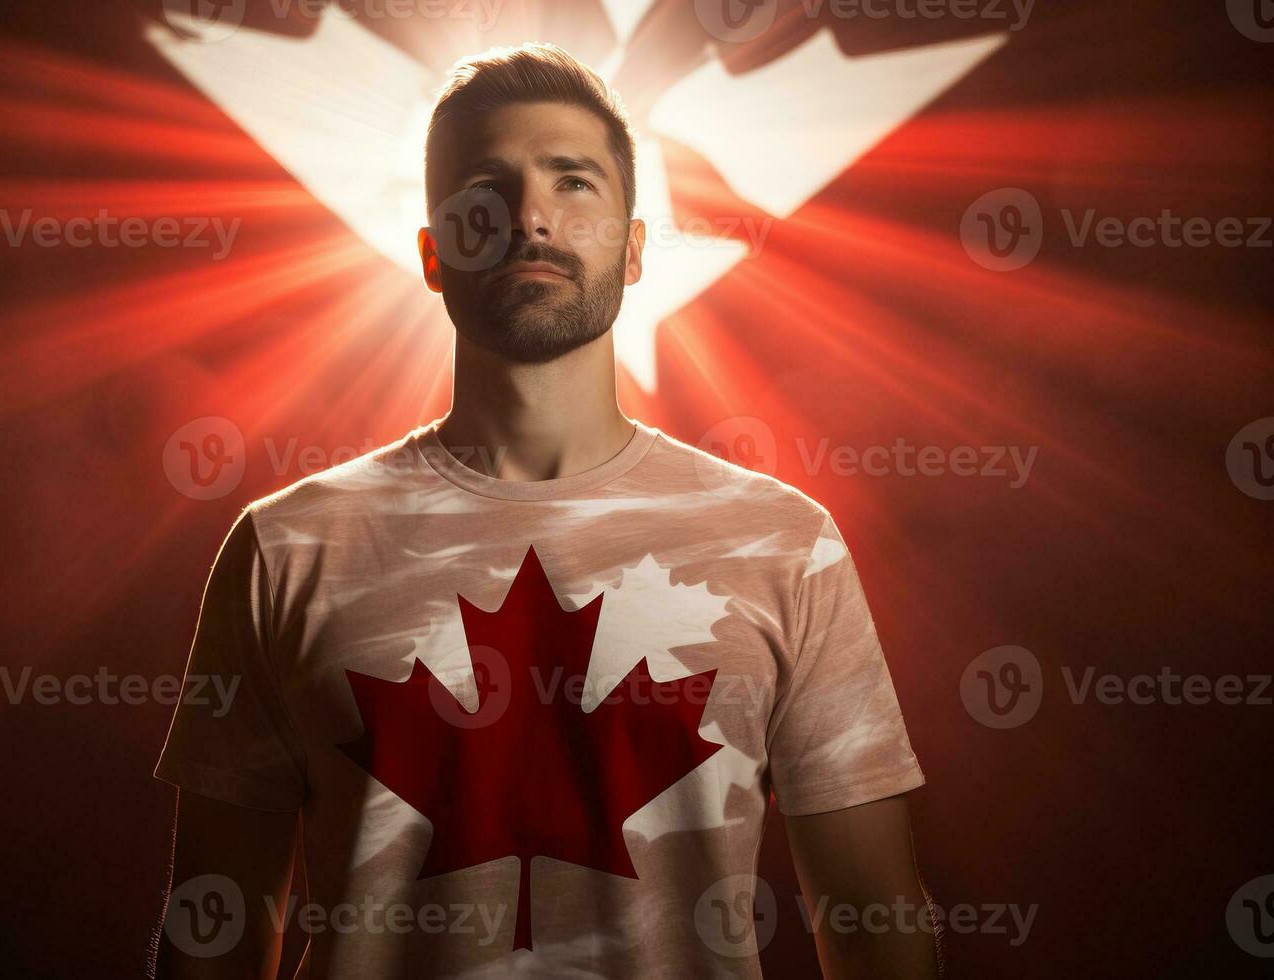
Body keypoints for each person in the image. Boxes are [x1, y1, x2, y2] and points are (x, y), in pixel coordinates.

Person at [153, 42, 936, 979]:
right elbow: (212, 931)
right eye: (488, 187)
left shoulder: (785, 547)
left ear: (636, 248)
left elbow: (876, 925)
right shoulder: (289, 548)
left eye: (573, 183)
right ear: (435, 255)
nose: (530, 217)